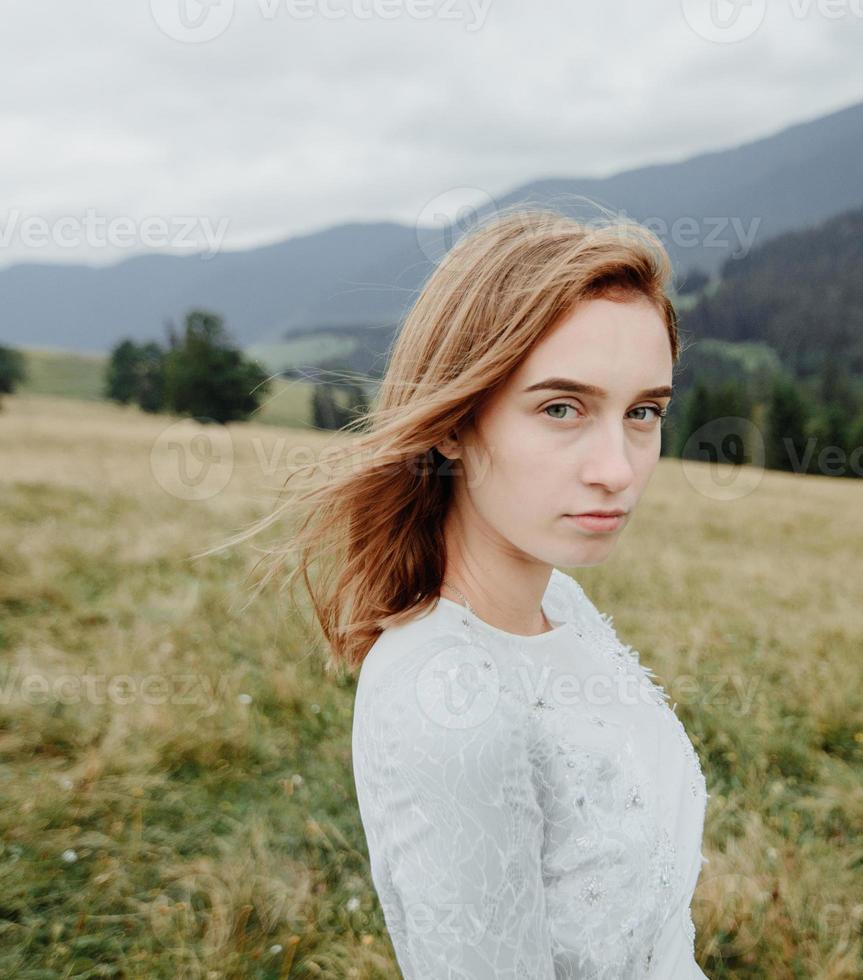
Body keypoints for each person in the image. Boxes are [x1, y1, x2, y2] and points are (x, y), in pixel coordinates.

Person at [216, 200, 709, 977]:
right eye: (560, 407)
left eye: (644, 412)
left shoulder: (558, 607)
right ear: (453, 419)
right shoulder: (449, 707)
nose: (617, 468)